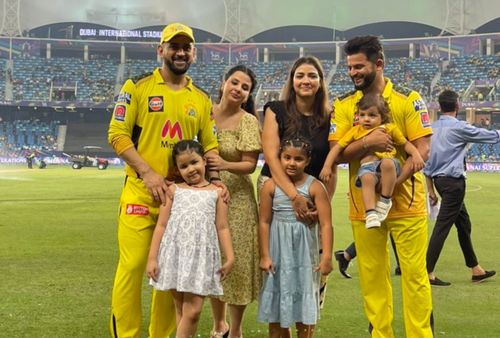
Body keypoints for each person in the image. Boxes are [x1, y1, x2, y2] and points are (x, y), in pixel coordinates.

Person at [107, 23, 220, 338]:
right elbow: (116, 134)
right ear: (161, 50)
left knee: (169, 276)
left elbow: (210, 145)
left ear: (193, 53)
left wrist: (216, 179)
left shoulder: (199, 98)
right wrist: (148, 172)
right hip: (140, 193)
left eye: (186, 47)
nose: (180, 52)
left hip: (180, 200)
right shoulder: (138, 87)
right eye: (174, 46)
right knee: (131, 269)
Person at [329, 35, 434, 337]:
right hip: (364, 208)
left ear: (378, 64)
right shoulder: (344, 106)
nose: (352, 73)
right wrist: (367, 142)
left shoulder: (408, 99)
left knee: (415, 278)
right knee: (373, 278)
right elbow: (337, 154)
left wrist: (390, 188)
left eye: (358, 66)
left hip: (407, 205)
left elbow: (422, 148)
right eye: (349, 67)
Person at [259, 56, 333, 313]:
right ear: (292, 80)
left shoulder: (328, 116)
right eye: (300, 75)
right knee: (279, 263)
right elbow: (270, 155)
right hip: (277, 191)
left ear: (321, 82)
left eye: (312, 76)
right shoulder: (275, 109)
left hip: (313, 198)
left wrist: (321, 205)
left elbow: (329, 166)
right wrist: (294, 196)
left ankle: (307, 322)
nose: (306, 80)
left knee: (312, 266)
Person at [147, 140, 234, 338]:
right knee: (182, 311)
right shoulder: (173, 191)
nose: (190, 169)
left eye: (194, 162)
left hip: (201, 259)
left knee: (193, 312)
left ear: (204, 161)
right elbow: (161, 226)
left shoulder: (218, 193)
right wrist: (152, 258)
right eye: (184, 166)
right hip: (174, 256)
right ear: (178, 169)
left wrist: (229, 257)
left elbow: (222, 227)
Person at [206, 65, 262, 338]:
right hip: (205, 197)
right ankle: (219, 326)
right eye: (235, 82)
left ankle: (237, 330)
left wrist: (224, 164)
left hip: (237, 201)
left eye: (245, 87)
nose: (238, 89)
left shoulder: (248, 121)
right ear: (223, 83)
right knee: (213, 260)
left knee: (236, 263)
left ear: (248, 94)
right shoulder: (204, 112)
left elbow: (250, 165)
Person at [258, 137, 333, 338]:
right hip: (277, 253)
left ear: (307, 161)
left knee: (303, 303)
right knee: (276, 304)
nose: (292, 163)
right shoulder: (270, 187)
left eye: (298, 159)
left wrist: (326, 257)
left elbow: (326, 224)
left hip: (304, 255)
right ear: (279, 158)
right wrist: (265, 255)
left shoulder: (315, 187)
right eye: (287, 157)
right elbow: (264, 222)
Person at [424, 89, 498, 286]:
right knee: (442, 226)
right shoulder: (459, 127)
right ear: (458, 106)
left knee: (463, 223)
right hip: (454, 183)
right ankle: (427, 271)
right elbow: (488, 136)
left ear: (440, 107)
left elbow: (427, 164)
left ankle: (476, 269)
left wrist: (430, 190)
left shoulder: (432, 129)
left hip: (439, 182)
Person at [321, 93, 424, 228]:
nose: (366, 119)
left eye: (372, 115)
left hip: (387, 163)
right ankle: (370, 213)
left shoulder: (389, 128)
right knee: (366, 178)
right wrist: (327, 166)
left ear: (382, 116)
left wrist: (416, 155)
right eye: (362, 115)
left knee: (387, 164)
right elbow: (337, 149)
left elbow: (405, 144)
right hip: (368, 166)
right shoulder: (355, 131)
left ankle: (385, 200)